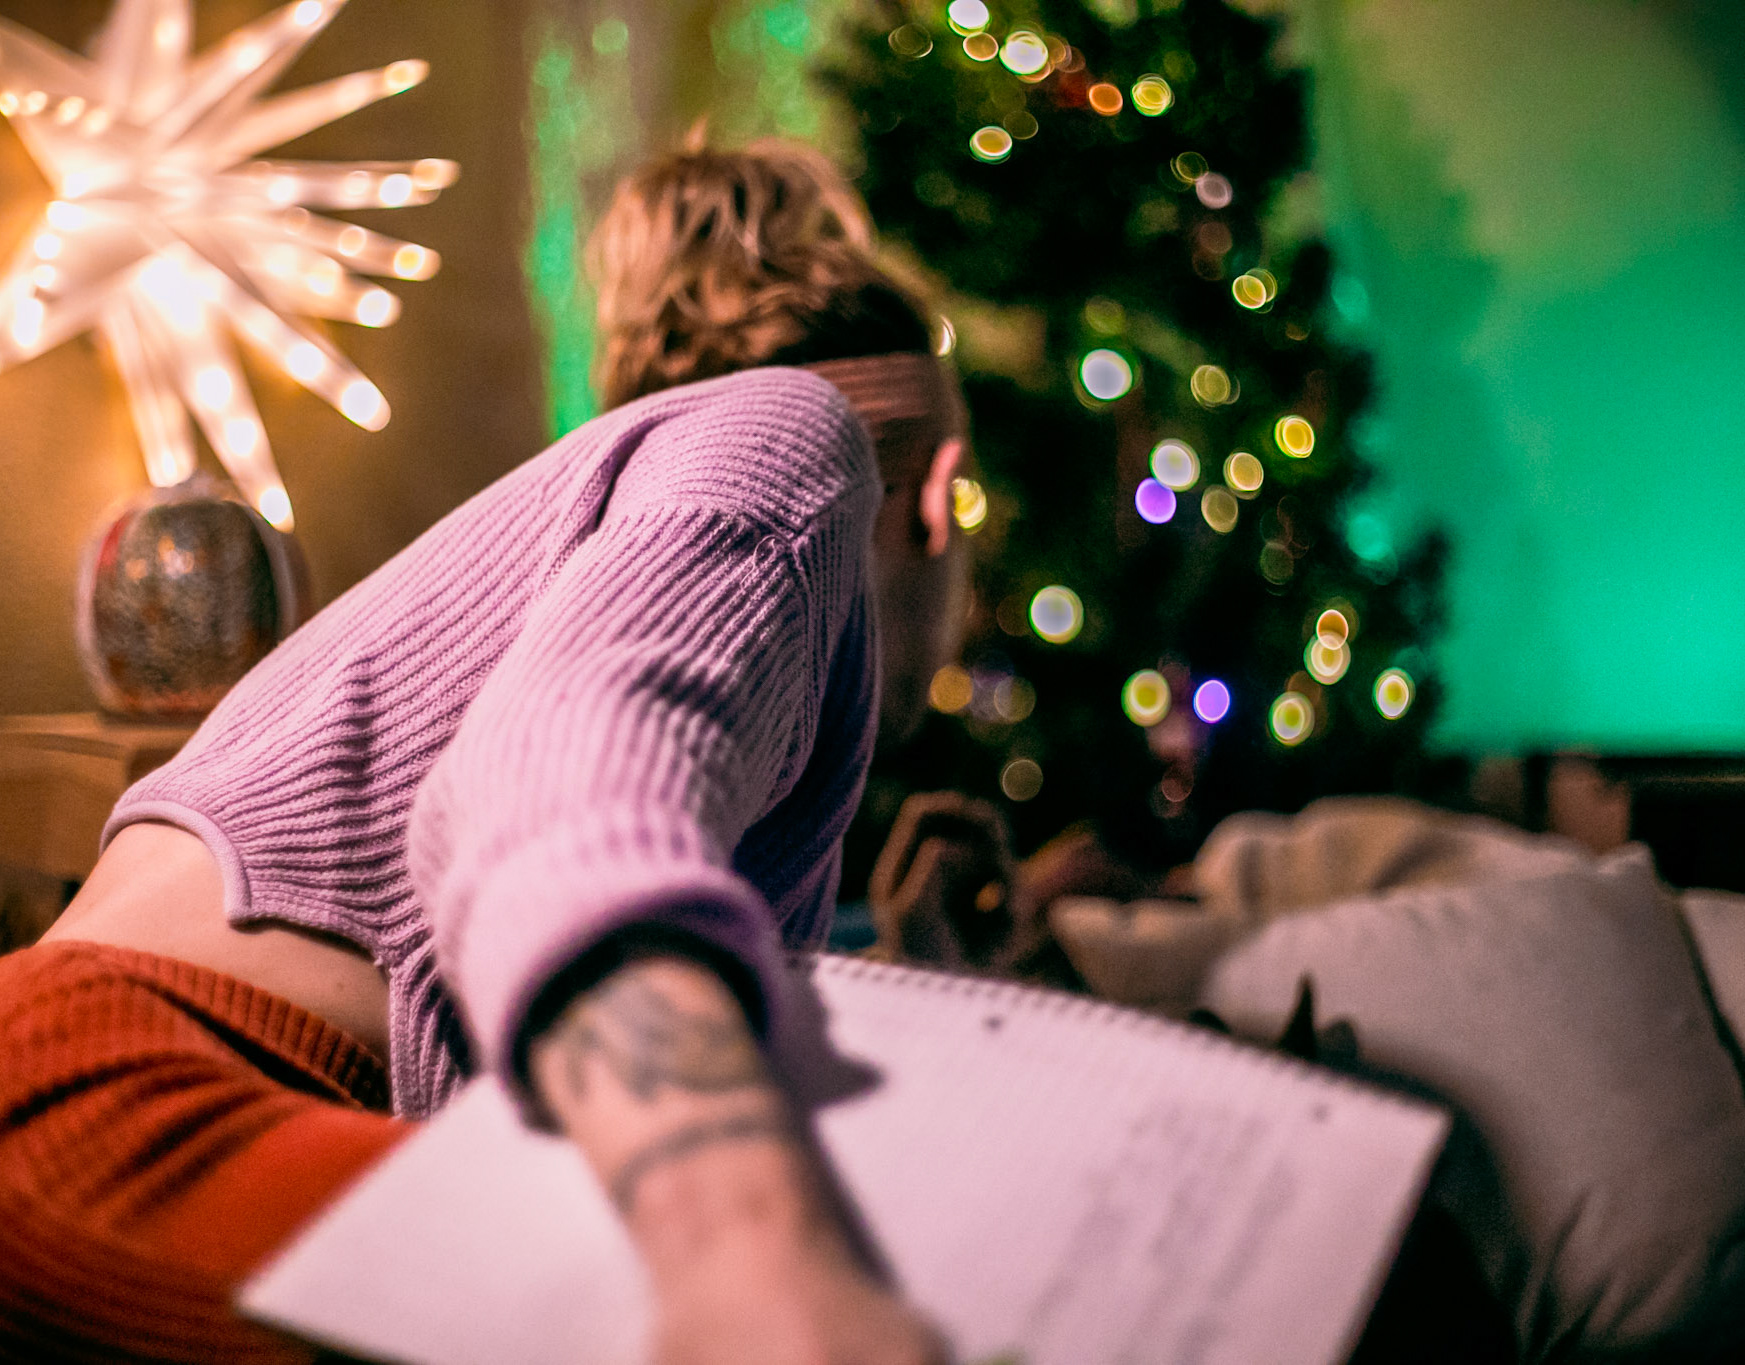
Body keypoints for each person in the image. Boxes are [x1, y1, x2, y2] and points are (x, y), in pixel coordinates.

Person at [1, 138, 967, 1364]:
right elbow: (555, 794)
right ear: (938, 491)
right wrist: (744, 1248)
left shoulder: (633, 505)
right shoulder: (789, 438)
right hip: (130, 1104)